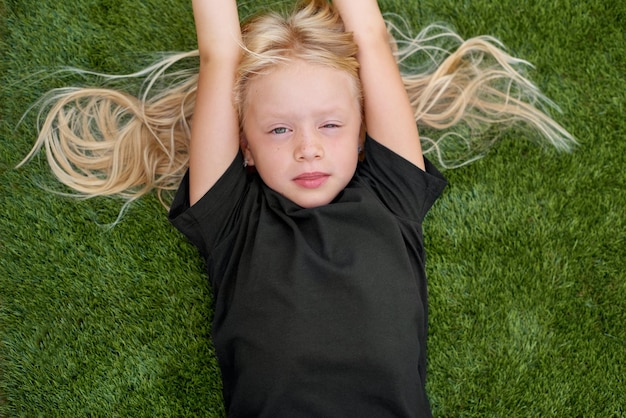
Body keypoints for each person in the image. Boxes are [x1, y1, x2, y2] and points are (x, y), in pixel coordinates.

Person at [19, 0, 575, 416]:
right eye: (279, 129)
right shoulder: (231, 217)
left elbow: (369, 34)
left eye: (330, 125)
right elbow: (220, 51)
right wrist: (231, 64)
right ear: (245, 147)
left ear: (363, 134)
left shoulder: (392, 193)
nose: (307, 147)